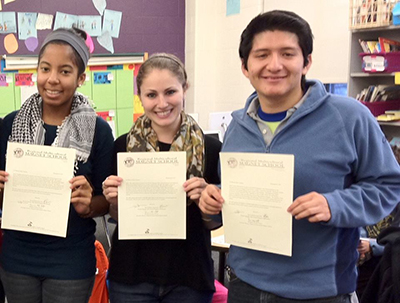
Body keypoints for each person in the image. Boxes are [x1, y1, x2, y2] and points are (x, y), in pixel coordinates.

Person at [199, 10, 400, 303]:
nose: (274, 65)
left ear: (306, 62)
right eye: (262, 54)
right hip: (244, 286)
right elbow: (233, 192)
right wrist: (212, 200)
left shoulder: (349, 117)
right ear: (245, 66)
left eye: (287, 54)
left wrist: (334, 204)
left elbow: (388, 186)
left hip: (318, 293)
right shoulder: (237, 125)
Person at [0, 28, 114, 303]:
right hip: (17, 259)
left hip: (70, 262)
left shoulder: (97, 131)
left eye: (64, 71)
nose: (52, 79)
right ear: (36, 71)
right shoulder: (10, 124)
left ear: (80, 78)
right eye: (45, 68)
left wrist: (89, 205)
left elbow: (106, 202)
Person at [102, 53, 221, 303]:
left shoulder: (211, 148)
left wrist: (207, 199)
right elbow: (117, 216)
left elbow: (214, 223)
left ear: (184, 89)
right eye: (151, 95)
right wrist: (112, 199)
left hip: (189, 276)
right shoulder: (122, 146)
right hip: (132, 275)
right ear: (141, 98)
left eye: (170, 92)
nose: (162, 103)